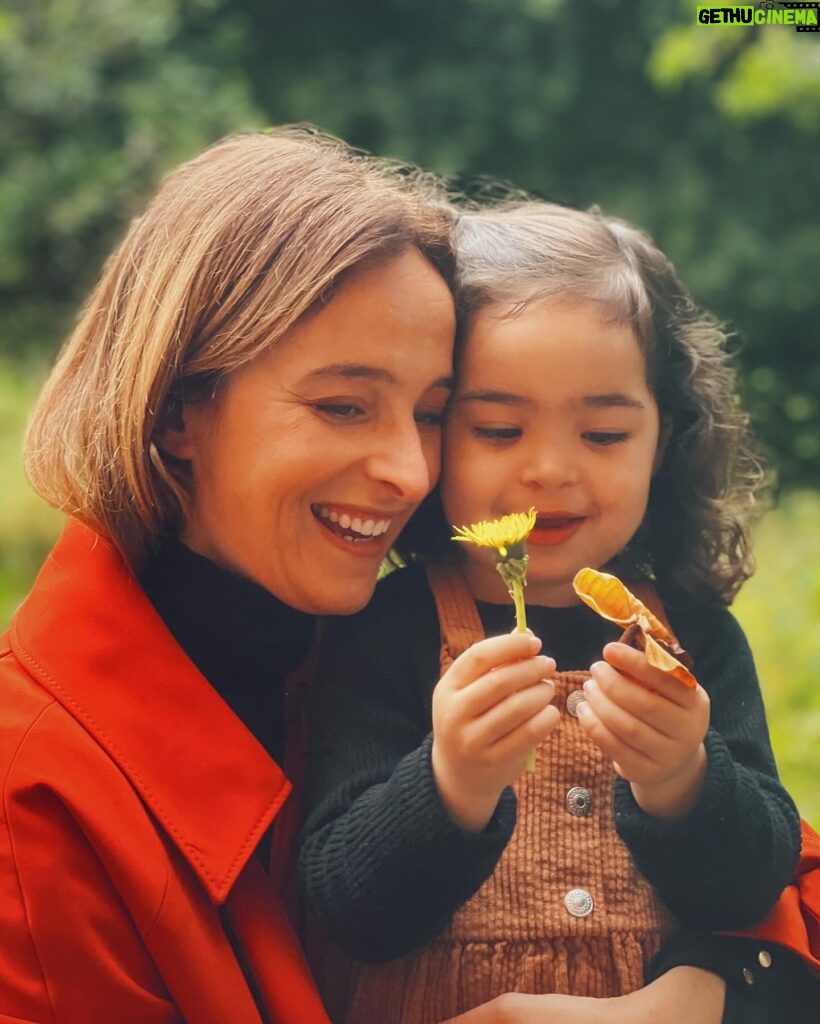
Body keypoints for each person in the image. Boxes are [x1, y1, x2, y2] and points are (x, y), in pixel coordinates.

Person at [299, 201, 816, 1023]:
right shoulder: (387, 628)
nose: (550, 470)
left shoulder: (693, 637)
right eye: (499, 430)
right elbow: (347, 913)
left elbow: (758, 884)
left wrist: (683, 778)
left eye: (605, 435)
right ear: (433, 429)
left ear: (666, 439)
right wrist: (450, 784)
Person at [0, 127, 458, 1023]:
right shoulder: (30, 793)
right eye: (342, 406)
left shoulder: (450, 653)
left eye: (433, 413)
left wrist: (716, 981)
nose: (410, 470)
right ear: (175, 411)